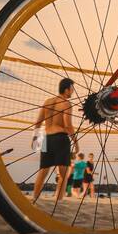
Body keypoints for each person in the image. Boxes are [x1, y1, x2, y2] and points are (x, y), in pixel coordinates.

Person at [31, 77, 76, 205]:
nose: (72, 92)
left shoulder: (47, 102)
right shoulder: (66, 104)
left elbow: (38, 122)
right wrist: (76, 143)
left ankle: (34, 198)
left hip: (46, 137)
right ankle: (59, 200)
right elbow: (68, 125)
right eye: (72, 89)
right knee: (63, 173)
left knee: (43, 170)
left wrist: (36, 141)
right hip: (60, 138)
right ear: (66, 89)